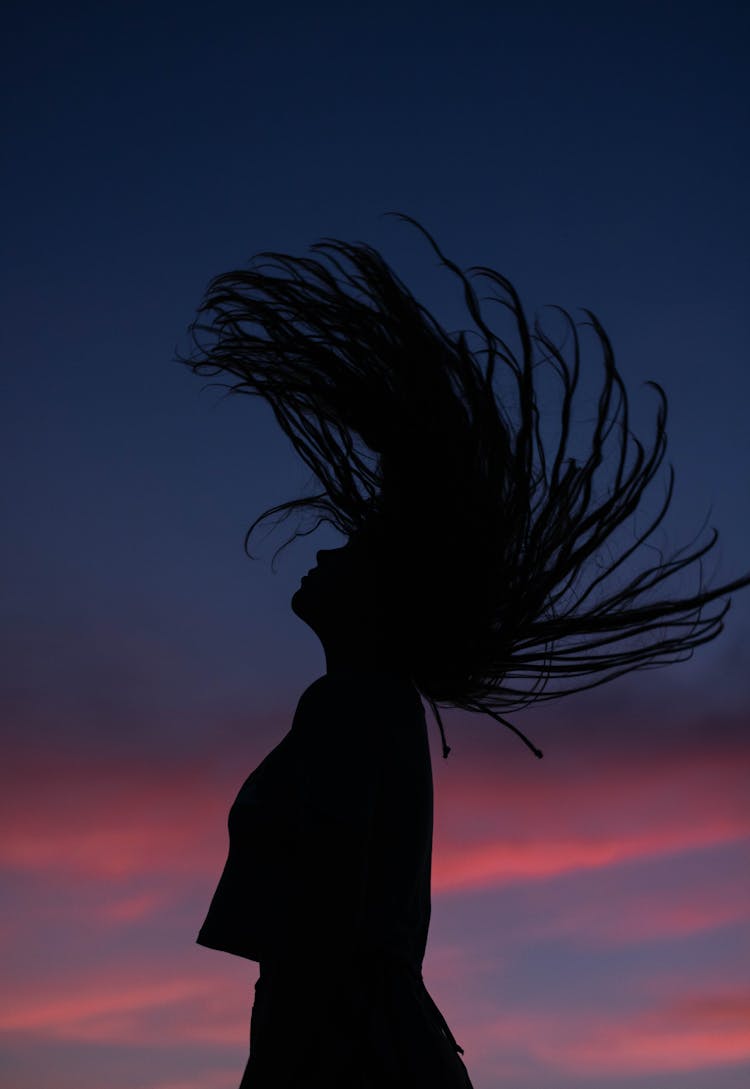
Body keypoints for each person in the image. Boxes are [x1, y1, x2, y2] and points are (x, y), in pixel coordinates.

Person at [181, 214, 750, 1087]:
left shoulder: (351, 703)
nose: (327, 553)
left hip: (348, 1046)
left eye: (352, 551)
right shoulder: (381, 704)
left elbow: (330, 920)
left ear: (381, 598)